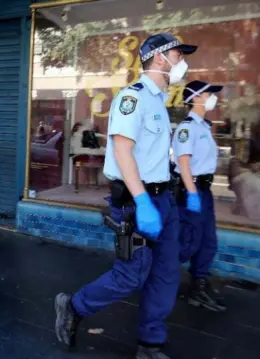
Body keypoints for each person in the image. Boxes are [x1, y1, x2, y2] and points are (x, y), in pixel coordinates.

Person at [54, 33, 197, 359]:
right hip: (137, 203)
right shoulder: (132, 98)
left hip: (163, 201)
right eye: (179, 55)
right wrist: (143, 201)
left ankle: (150, 344)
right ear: (160, 58)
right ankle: (74, 306)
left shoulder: (160, 101)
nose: (183, 62)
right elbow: (122, 150)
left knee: (165, 275)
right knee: (131, 276)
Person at [171, 80, 227, 312]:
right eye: (208, 94)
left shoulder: (204, 126)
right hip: (191, 191)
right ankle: (158, 277)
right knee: (189, 241)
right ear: (195, 98)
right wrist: (192, 195)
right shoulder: (187, 128)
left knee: (207, 242)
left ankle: (198, 288)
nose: (213, 97)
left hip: (204, 191)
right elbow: (183, 164)